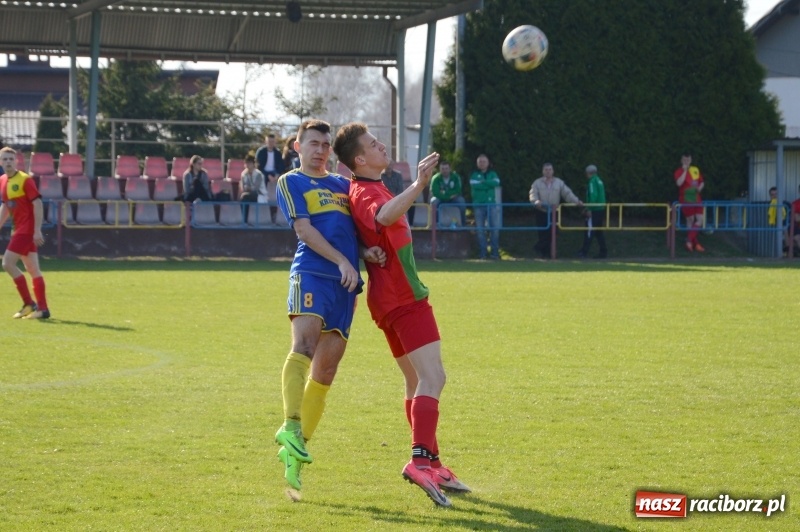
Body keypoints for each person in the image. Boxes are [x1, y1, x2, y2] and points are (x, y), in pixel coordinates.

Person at [333, 122, 470, 508]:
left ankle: (435, 462)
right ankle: (419, 461)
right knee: (434, 376)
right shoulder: (366, 190)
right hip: (404, 296)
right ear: (360, 159)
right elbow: (382, 217)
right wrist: (419, 184)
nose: (382, 147)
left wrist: (364, 250)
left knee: (415, 380)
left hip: (389, 297)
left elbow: (369, 228)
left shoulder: (366, 187)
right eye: (374, 145)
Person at [273, 119, 385, 496]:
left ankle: (296, 449)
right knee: (303, 346)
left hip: (346, 282)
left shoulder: (343, 185)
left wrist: (364, 253)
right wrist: (341, 260)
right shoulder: (292, 182)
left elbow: (353, 232)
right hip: (313, 274)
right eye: (313, 143)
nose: (320, 150)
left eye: (325, 144)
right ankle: (289, 425)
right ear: (297, 146)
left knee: (327, 369)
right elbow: (304, 230)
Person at [0, 146, 51, 319]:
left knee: (7, 264)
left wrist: (37, 230)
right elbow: (7, 206)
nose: (8, 162)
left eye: (10, 159)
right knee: (33, 269)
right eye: (4, 159)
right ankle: (43, 310)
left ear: (16, 162)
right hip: (19, 230)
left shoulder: (25, 180)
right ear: (0, 162)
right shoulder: (2, 181)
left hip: (26, 230)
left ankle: (29, 303)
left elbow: (37, 204)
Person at [529, 163, 582, 258]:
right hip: (541, 211)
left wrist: (576, 201)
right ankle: (544, 254)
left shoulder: (559, 182)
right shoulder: (537, 182)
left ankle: (543, 250)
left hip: (554, 212)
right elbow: (533, 194)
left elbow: (567, 193)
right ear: (543, 171)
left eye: (549, 169)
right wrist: (536, 201)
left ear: (553, 171)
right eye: (546, 169)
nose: (548, 171)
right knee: (542, 233)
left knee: (553, 233)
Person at [469, 154, 501, 259]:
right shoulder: (474, 175)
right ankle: (483, 253)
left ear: (488, 163)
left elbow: (496, 183)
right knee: (480, 230)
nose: (482, 163)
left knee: (494, 229)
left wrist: (483, 182)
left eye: (484, 161)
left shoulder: (493, 174)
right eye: (480, 162)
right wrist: (488, 184)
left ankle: (495, 253)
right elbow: (475, 185)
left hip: (491, 205)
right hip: (478, 205)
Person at [674, 152, 705, 252]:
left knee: (700, 220)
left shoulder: (695, 169)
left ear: (691, 160)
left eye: (688, 160)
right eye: (684, 160)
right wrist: (684, 171)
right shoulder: (679, 171)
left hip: (697, 198)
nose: (687, 162)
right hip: (686, 198)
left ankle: (689, 240)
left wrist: (700, 188)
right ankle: (694, 243)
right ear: (681, 160)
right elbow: (679, 183)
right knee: (690, 220)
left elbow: (702, 182)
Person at [577, 165, 608, 259]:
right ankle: (603, 252)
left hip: (594, 210)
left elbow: (593, 196)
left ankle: (584, 252)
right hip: (600, 209)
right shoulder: (599, 180)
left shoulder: (592, 182)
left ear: (588, 173)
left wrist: (588, 208)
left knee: (589, 230)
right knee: (598, 232)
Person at [256, 133, 286, 223]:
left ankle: (280, 204)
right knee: (262, 181)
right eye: (269, 141)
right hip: (263, 173)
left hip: (274, 172)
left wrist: (277, 174)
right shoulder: (261, 152)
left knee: (281, 182)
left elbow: (281, 165)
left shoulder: (277, 153)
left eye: (272, 141)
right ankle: (263, 203)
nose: (271, 143)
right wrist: (267, 175)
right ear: (266, 141)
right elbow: (258, 166)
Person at [430, 161, 466, 227]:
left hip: (453, 198)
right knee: (434, 201)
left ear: (450, 169)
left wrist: (445, 194)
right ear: (440, 169)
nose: (444, 170)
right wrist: (448, 196)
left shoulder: (455, 177)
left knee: (461, 201)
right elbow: (435, 192)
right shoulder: (435, 178)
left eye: (446, 168)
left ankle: (463, 224)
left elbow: (458, 190)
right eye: (442, 169)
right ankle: (435, 224)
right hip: (440, 199)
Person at [767, 186, 790, 255]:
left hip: (786, 224)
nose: (774, 196)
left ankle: (788, 251)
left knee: (784, 229)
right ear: (770, 196)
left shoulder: (786, 204)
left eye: (776, 194)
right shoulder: (768, 205)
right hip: (772, 225)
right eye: (772, 195)